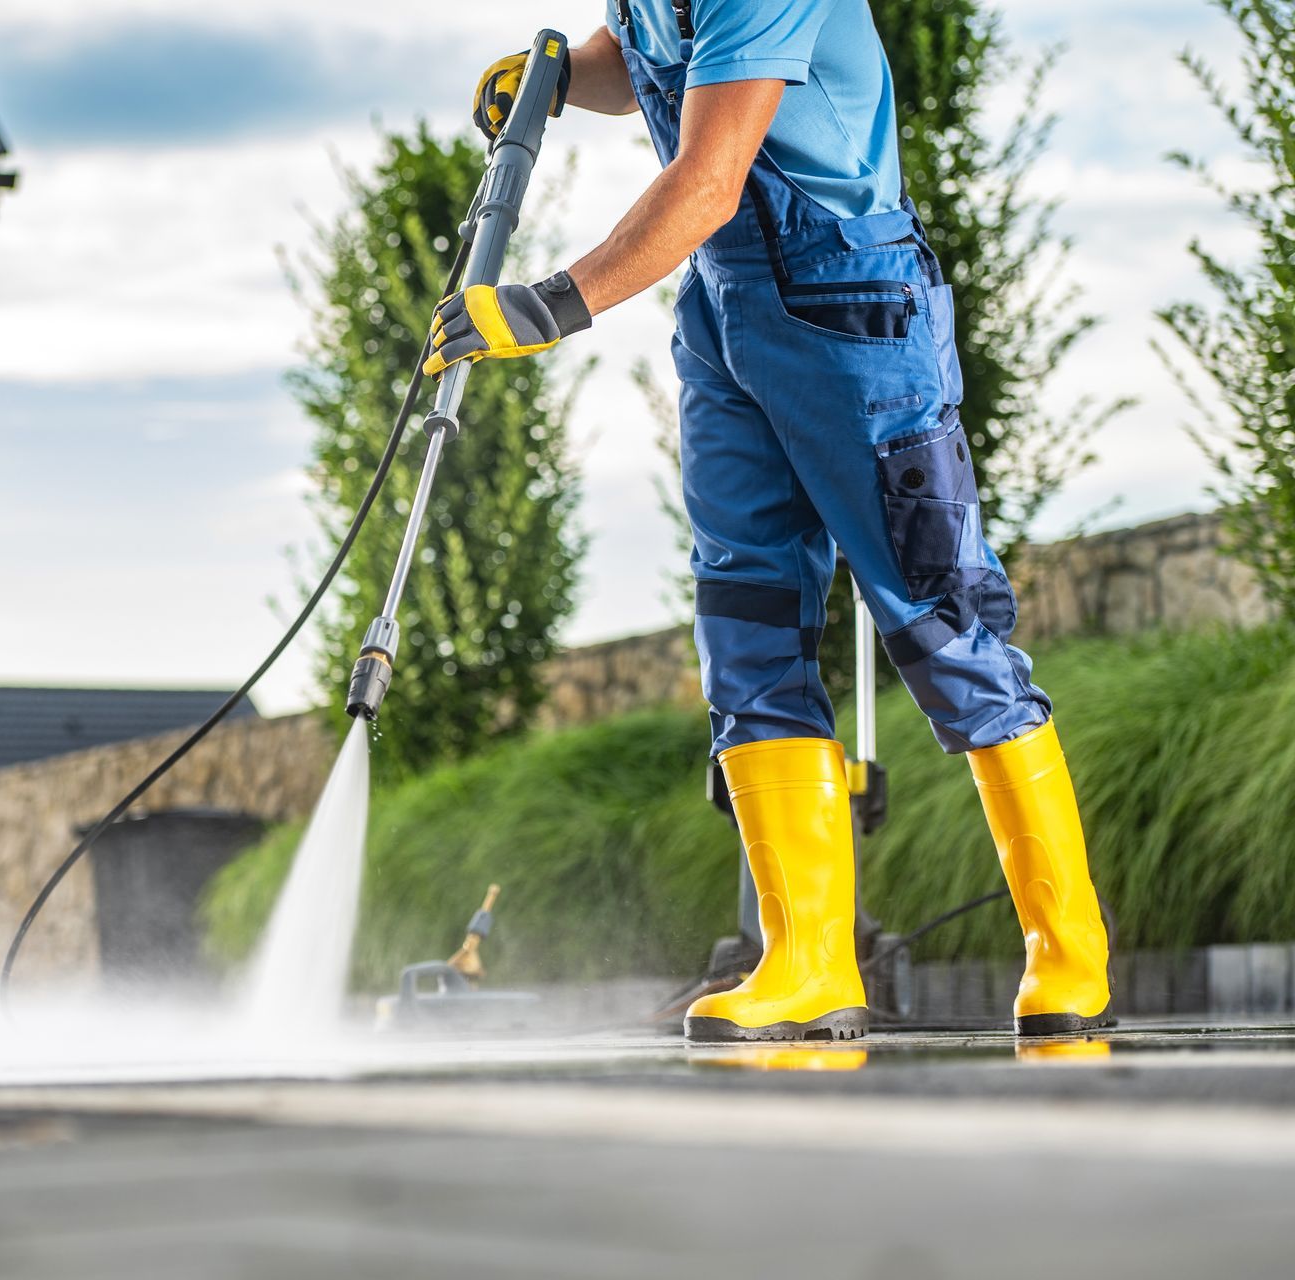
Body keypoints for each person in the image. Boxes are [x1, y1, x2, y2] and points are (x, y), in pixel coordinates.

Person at [435, 0, 1111, 1042]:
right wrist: (570, 78)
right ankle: (804, 959)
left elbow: (706, 179)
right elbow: (652, 60)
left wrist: (552, 304)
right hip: (726, 311)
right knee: (746, 627)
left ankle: (1068, 953)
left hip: (851, 302)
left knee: (944, 624)